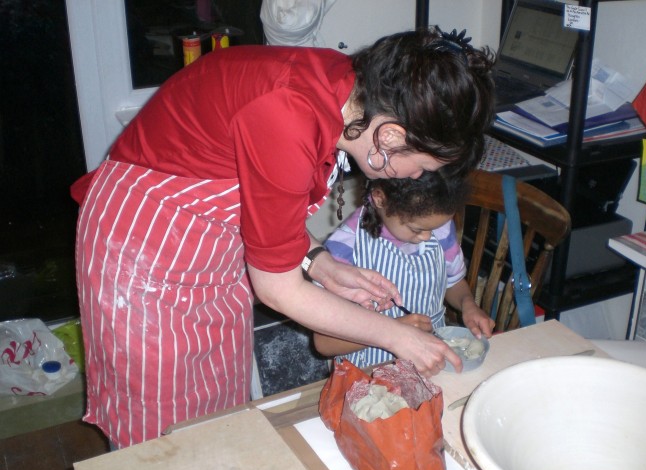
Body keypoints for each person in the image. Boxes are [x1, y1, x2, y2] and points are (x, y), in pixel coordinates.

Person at [71, 27, 496, 448]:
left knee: (211, 414)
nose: (419, 177)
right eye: (423, 166)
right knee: (162, 436)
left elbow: (267, 206)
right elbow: (279, 290)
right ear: (391, 136)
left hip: (206, 247)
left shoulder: (344, 91)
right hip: (144, 256)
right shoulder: (288, 115)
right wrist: (397, 335)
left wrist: (321, 264)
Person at [313, 173, 495, 367]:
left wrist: (467, 304)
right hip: (367, 371)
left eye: (434, 228)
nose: (427, 237)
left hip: (431, 360)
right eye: (416, 229)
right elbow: (324, 343)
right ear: (380, 198)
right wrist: (393, 330)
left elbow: (453, 282)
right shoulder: (344, 250)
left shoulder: (438, 228)